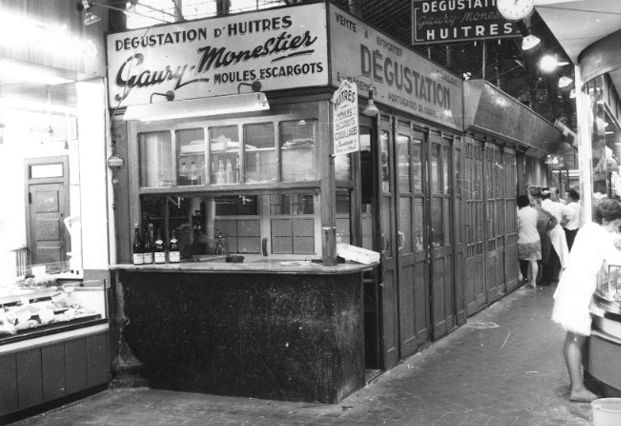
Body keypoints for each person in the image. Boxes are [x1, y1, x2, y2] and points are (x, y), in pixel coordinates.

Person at [551, 198, 621, 402]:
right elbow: (617, 260)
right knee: (575, 338)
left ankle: (577, 386)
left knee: (573, 338)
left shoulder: (589, 228)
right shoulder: (600, 236)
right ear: (607, 219)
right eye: (617, 224)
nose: (617, 229)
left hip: (573, 287)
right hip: (577, 291)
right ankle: (577, 389)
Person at [541, 188, 570, 285]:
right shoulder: (558, 205)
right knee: (558, 254)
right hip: (557, 230)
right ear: (550, 196)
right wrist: (564, 221)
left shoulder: (540, 206)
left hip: (545, 232)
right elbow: (571, 213)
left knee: (547, 254)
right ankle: (556, 275)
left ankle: (545, 277)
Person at [531, 187, 557, 286]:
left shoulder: (541, 212)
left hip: (543, 238)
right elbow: (554, 220)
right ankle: (544, 278)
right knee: (542, 259)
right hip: (541, 237)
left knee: (544, 259)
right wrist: (548, 229)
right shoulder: (540, 212)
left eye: (534, 204)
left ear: (539, 204)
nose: (533, 206)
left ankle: (545, 279)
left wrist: (548, 229)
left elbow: (555, 220)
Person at [517, 194, 540, 289]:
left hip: (523, 240)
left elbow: (517, 226)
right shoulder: (534, 211)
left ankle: (520, 275)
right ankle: (533, 281)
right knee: (533, 261)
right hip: (535, 239)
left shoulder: (519, 213)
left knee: (517, 259)